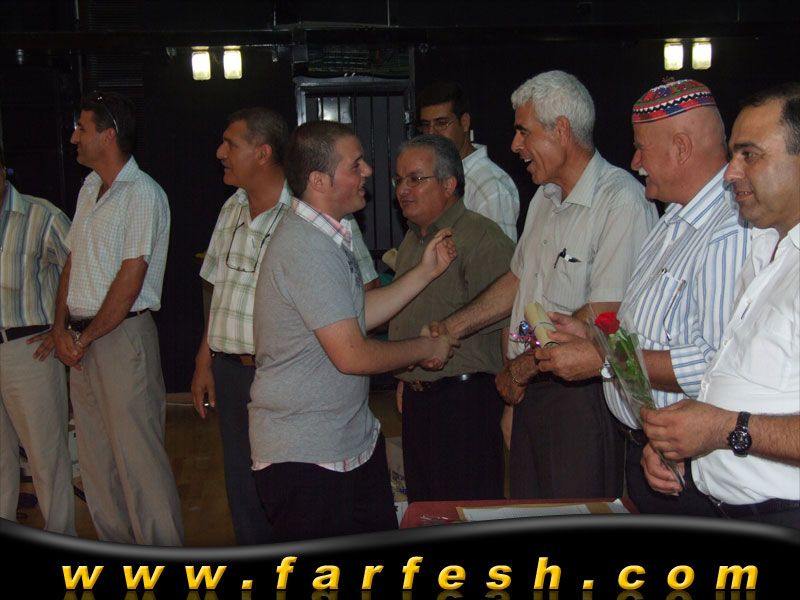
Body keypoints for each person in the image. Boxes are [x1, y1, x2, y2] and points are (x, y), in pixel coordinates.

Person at [427, 71, 656, 499]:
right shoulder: (545, 197)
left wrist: (523, 368)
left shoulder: (620, 201)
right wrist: (452, 328)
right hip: (533, 389)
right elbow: (517, 281)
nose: (515, 145)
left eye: (523, 131)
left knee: (574, 515)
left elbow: (604, 313)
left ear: (562, 130)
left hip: (579, 397)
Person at [535, 80, 751, 516]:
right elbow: (647, 333)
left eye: (640, 148)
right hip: (653, 452)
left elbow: (713, 364)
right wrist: (594, 336)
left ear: (681, 147)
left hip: (691, 465)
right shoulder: (672, 221)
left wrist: (603, 359)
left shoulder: (728, 231)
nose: (634, 162)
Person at [249, 120, 457, 542]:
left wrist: (425, 272)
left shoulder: (326, 236)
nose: (368, 172)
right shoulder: (306, 247)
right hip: (307, 459)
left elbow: (354, 314)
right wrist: (425, 347)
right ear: (319, 180)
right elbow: (352, 354)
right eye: (355, 164)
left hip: (349, 445)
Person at [190, 108, 382, 545]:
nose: (219, 153)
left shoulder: (316, 213)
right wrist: (205, 360)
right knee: (244, 490)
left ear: (262, 153)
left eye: (230, 144)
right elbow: (218, 289)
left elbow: (364, 289)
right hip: (231, 372)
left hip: (289, 377)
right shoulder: (231, 209)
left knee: (292, 498)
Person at [641, 82, 800, 529]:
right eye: (733, 154)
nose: (730, 173)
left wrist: (721, 428)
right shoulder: (764, 249)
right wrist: (686, 445)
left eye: (750, 155)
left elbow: (728, 420)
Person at [52, 91, 183, 545]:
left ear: (108, 136)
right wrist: (59, 329)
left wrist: (84, 338)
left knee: (139, 464)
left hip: (121, 339)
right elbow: (72, 262)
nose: (73, 138)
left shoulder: (143, 193)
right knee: (95, 464)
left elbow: (131, 278)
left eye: (82, 129)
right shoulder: (90, 188)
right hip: (81, 340)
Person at [388, 135, 514, 502]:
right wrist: (407, 378)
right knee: (427, 511)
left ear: (448, 184)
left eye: (415, 179)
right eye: (399, 180)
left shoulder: (482, 237)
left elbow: (508, 319)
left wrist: (512, 403)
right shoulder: (413, 240)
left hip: (465, 403)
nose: (403, 190)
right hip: (419, 399)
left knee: (467, 511)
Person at [0, 148, 75, 535]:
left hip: (28, 350)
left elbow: (81, 268)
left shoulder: (41, 215)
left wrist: (62, 326)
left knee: (46, 460)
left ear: (2, 172)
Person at [417, 80, 520, 240]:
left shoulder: (489, 186)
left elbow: (499, 254)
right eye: (425, 125)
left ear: (464, 123)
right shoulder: (436, 176)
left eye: (441, 123)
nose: (431, 133)